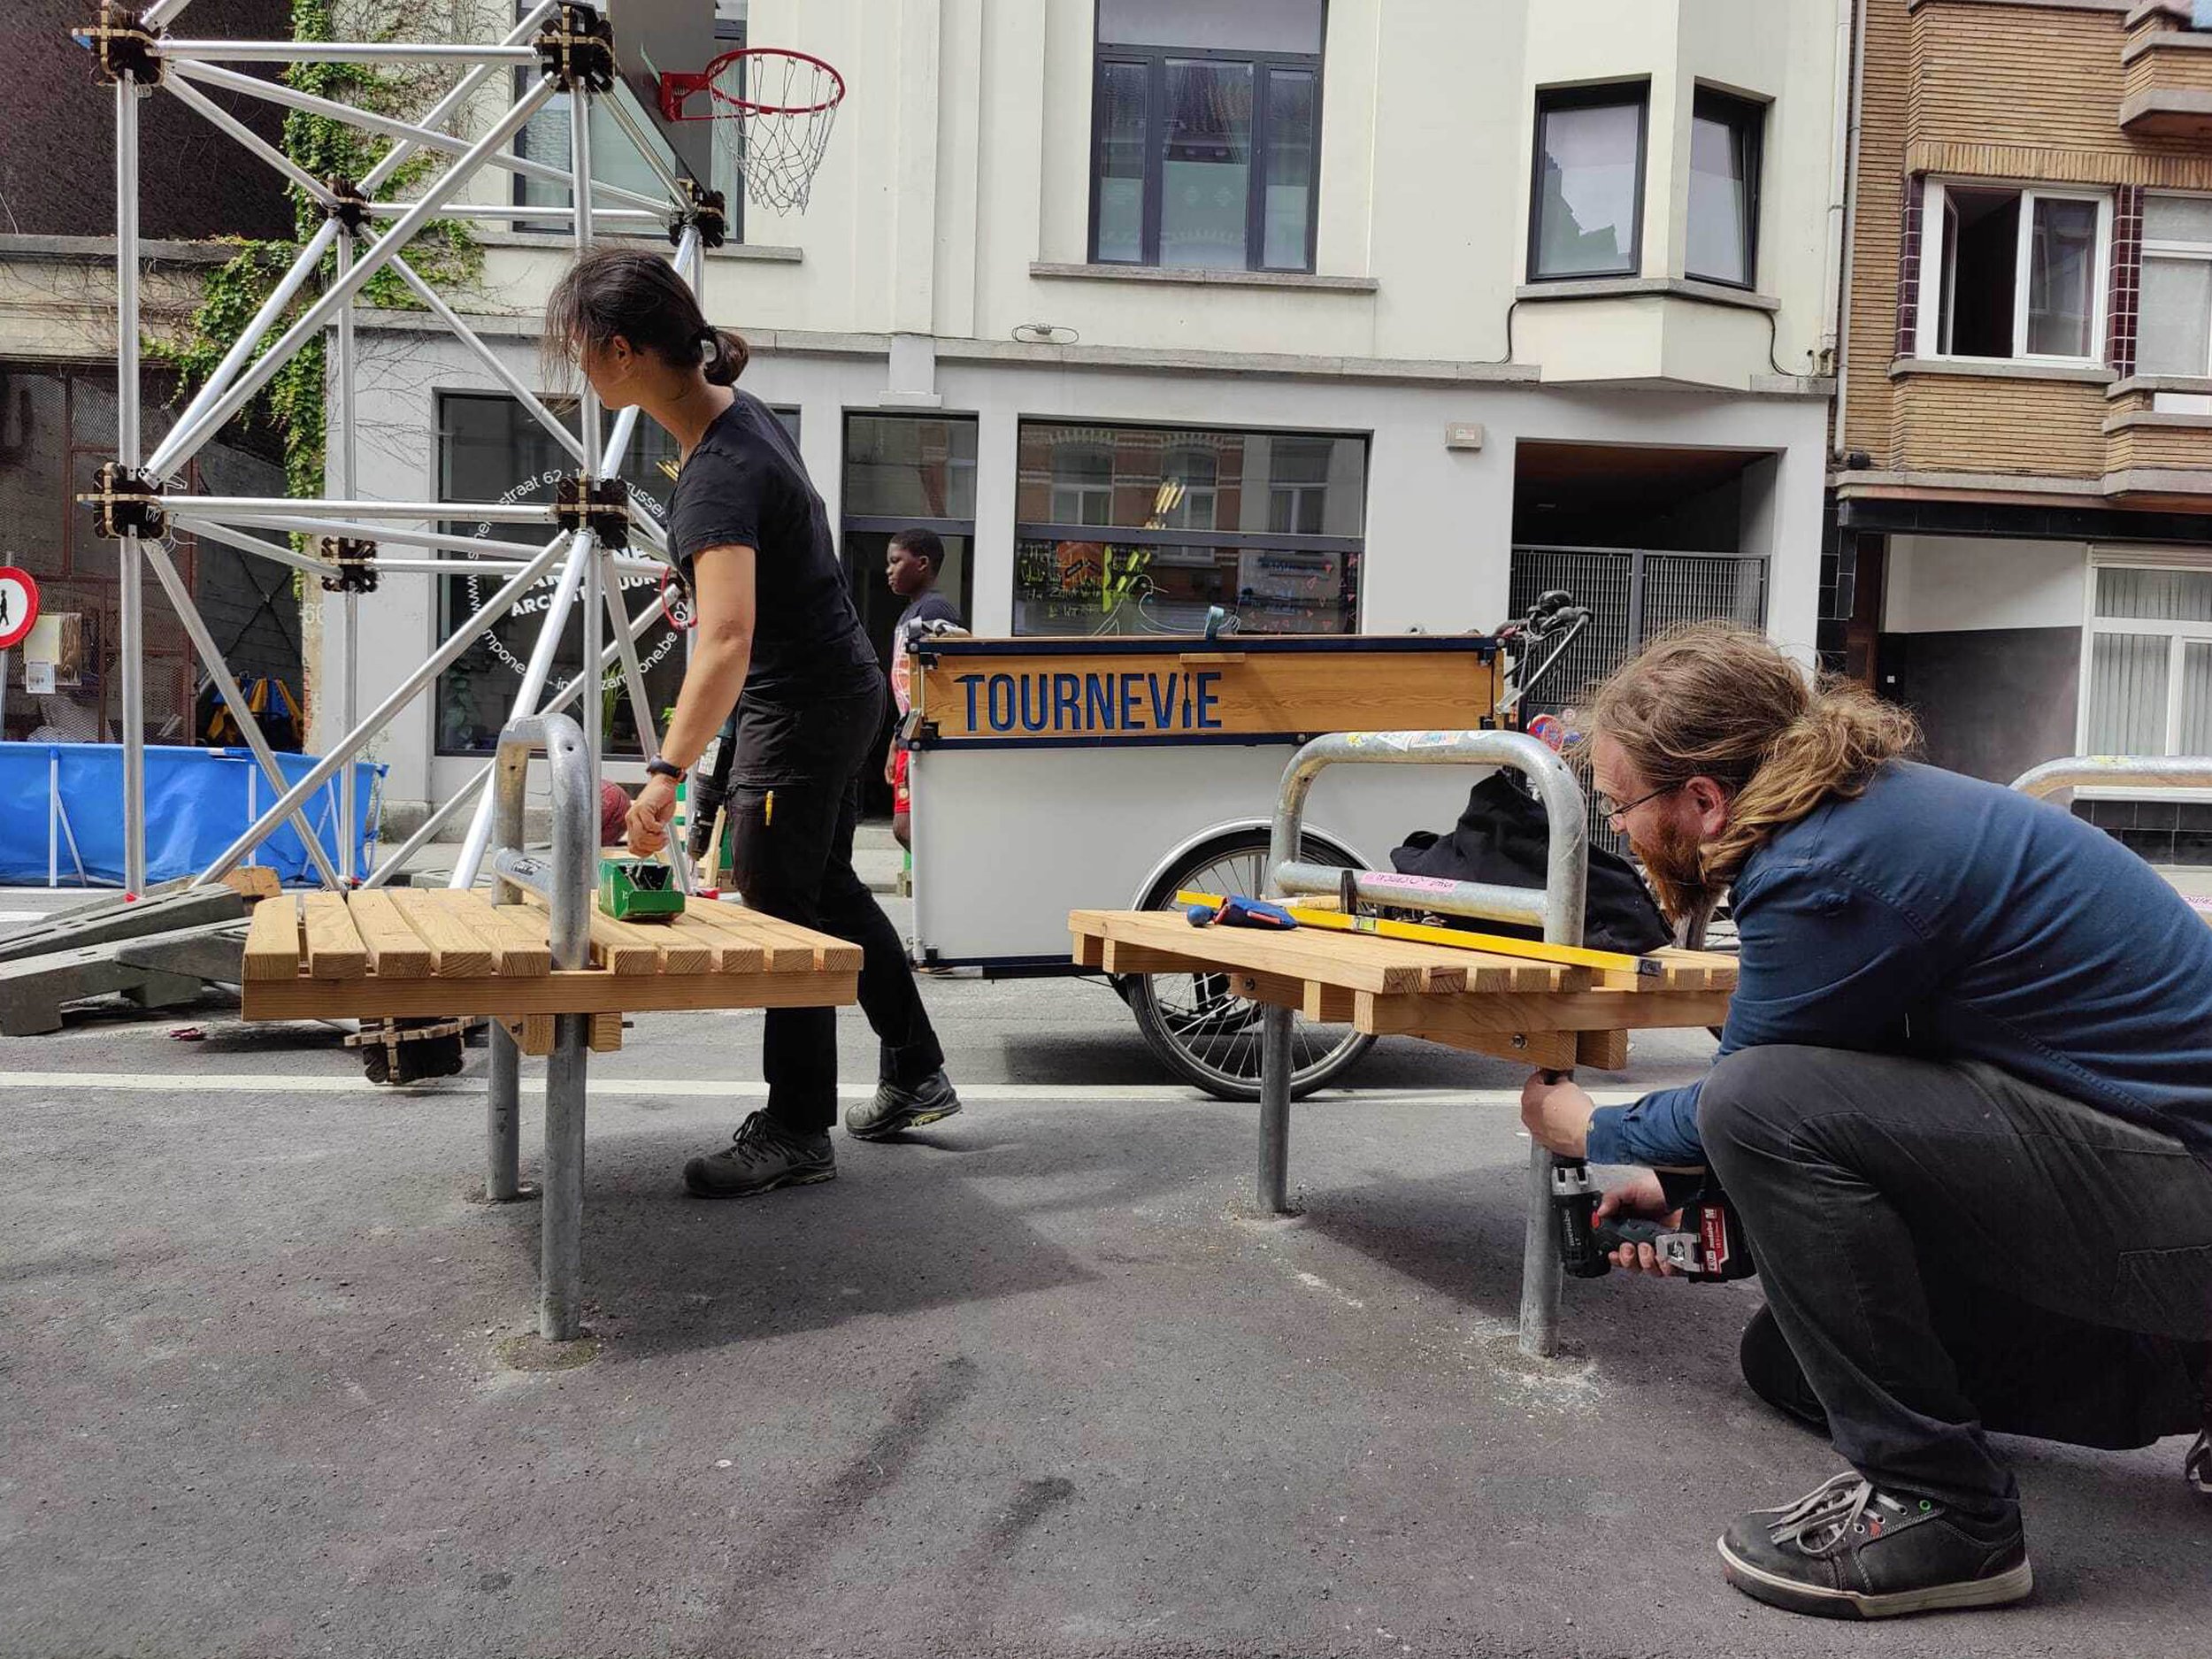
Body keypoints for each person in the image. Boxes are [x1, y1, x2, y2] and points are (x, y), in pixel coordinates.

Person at [1517, 622, 2212, 1621]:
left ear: (1703, 802)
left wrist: (1596, 1130)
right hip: (2145, 1171)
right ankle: (2185, 1380)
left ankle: (1947, 1513)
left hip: (2182, 1184)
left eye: (1622, 804)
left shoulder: (1825, 866)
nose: (1620, 830)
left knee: (1757, 1101)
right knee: (1793, 1362)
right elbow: (1873, 1107)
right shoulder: (1865, 815)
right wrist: (1702, 1192)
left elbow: (1756, 1105)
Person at [544, 246, 963, 1196]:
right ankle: (914, 1066)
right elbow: (745, 593)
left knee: (780, 914)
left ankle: (796, 1126)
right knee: (826, 893)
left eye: (578, 351)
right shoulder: (735, 421)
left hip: (801, 703)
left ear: (619, 352)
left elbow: (726, 640)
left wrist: (665, 775)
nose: (577, 369)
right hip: (836, 685)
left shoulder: (715, 475)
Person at [881, 526, 964, 850]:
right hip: (909, 732)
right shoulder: (911, 612)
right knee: (907, 825)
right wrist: (895, 739)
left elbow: (943, 677)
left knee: (907, 826)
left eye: (895, 561)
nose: (888, 570)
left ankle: (948, 880)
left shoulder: (934, 610)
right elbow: (909, 687)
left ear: (923, 563)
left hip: (925, 737)